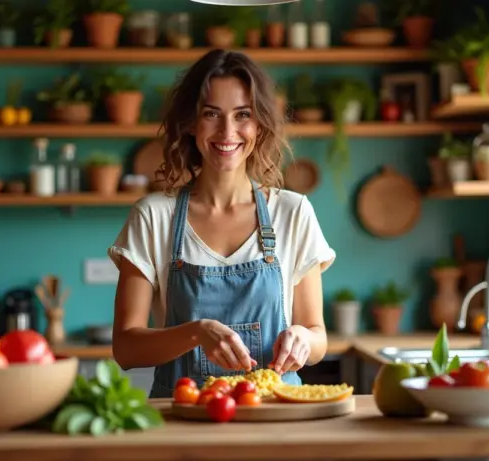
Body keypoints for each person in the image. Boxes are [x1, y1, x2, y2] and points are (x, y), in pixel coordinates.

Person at [108, 49, 336, 398]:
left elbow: (317, 335)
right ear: (189, 123)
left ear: (259, 124)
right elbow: (125, 349)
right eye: (211, 114)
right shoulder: (153, 217)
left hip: (275, 416)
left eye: (242, 114)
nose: (227, 131)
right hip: (184, 418)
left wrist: (304, 339)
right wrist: (196, 333)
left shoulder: (293, 213)